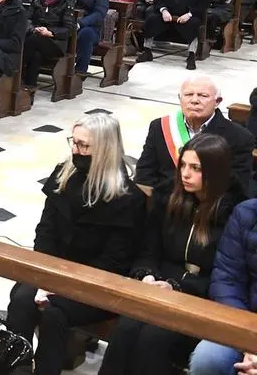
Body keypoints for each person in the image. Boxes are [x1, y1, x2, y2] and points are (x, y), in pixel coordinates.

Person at [7, 114, 145, 375]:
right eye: (74, 142)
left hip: (96, 284)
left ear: (104, 150)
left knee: (54, 313)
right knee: (22, 298)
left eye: (84, 146)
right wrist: (44, 275)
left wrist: (63, 286)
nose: (76, 150)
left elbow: (114, 260)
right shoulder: (63, 174)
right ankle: (17, 367)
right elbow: (45, 231)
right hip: (52, 270)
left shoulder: (127, 198)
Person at [99, 134, 243, 375]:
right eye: (183, 165)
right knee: (126, 327)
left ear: (215, 172)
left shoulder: (235, 212)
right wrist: (147, 275)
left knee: (153, 337)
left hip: (201, 302)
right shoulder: (171, 197)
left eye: (196, 168)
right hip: (158, 291)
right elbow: (149, 248)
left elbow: (225, 276)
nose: (185, 174)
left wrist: (176, 288)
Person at [135, 75, 254, 199]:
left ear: (217, 101)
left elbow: (236, 188)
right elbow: (145, 173)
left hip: (208, 209)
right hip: (163, 204)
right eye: (188, 95)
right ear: (180, 99)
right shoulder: (159, 126)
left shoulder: (240, 138)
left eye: (203, 96)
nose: (194, 100)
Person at [186, 199, 257, 374]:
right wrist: (249, 342)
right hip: (244, 322)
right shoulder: (246, 213)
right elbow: (227, 280)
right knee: (207, 358)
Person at [136, 0, 210, 69]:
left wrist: (189, 14)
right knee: (152, 19)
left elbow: (204, 4)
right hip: (168, 14)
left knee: (193, 24)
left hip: (189, 15)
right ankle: (147, 51)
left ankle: (191, 55)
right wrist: (164, 10)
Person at [65, 0, 109, 75]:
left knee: (86, 35)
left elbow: (99, 13)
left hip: (89, 26)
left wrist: (81, 23)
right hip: (67, 22)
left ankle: (80, 72)